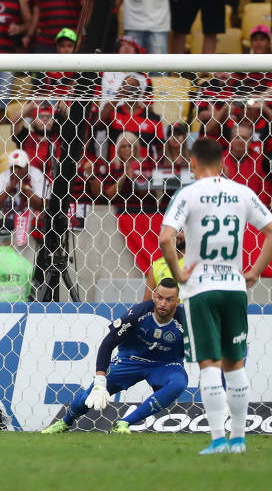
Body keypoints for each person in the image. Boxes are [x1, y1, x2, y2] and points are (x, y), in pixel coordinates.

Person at [159, 137, 272, 454]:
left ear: (192, 164)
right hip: (235, 288)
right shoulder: (243, 192)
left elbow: (165, 238)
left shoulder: (189, 193)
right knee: (235, 365)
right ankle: (239, 440)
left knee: (209, 364)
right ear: (223, 163)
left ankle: (218, 440)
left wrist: (180, 274)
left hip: (202, 289)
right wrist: (255, 271)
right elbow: (271, 229)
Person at [42, 278, 188, 435]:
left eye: (168, 299)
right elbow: (108, 343)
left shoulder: (187, 319)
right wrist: (100, 380)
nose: (162, 303)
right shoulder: (137, 314)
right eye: (159, 297)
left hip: (165, 365)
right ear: (153, 297)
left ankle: (124, 422)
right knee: (89, 397)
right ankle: (65, 422)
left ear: (177, 301)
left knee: (178, 383)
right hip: (130, 361)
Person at [143, 232, 184, 301]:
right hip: (166, 312)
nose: (178, 235)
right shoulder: (157, 266)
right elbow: (146, 303)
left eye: (182, 231)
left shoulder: (195, 265)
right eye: (175, 231)